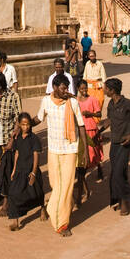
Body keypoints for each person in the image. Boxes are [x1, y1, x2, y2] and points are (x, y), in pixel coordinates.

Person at [36, 74, 85, 237]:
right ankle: (64, 204)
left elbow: (81, 125)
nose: (66, 91)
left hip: (70, 148)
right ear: (55, 88)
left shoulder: (72, 102)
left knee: (66, 185)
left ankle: (61, 222)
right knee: (56, 184)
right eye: (63, 88)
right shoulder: (46, 101)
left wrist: (83, 149)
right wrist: (25, 124)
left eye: (67, 88)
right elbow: (39, 118)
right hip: (53, 148)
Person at [100, 78, 130, 216]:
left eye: (105, 88)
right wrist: (98, 129)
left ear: (112, 90)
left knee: (118, 173)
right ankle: (118, 200)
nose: (104, 90)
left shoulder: (129, 104)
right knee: (118, 173)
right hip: (114, 143)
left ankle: (126, 199)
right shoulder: (110, 104)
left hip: (125, 144)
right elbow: (110, 120)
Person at [2, 113, 47, 230]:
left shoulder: (34, 139)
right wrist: (13, 169)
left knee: (36, 192)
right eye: (23, 125)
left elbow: (36, 155)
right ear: (19, 125)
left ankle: (42, 208)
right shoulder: (17, 138)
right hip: (19, 170)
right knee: (13, 193)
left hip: (30, 170)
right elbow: (16, 153)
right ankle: (15, 221)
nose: (25, 127)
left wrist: (33, 172)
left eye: (27, 124)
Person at [75, 81, 104, 201]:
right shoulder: (75, 101)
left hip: (91, 129)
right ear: (78, 88)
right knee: (82, 163)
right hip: (79, 131)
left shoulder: (92, 99)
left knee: (93, 154)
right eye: (81, 89)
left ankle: (98, 167)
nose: (84, 90)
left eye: (85, 88)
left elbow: (99, 113)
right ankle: (85, 189)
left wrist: (90, 113)